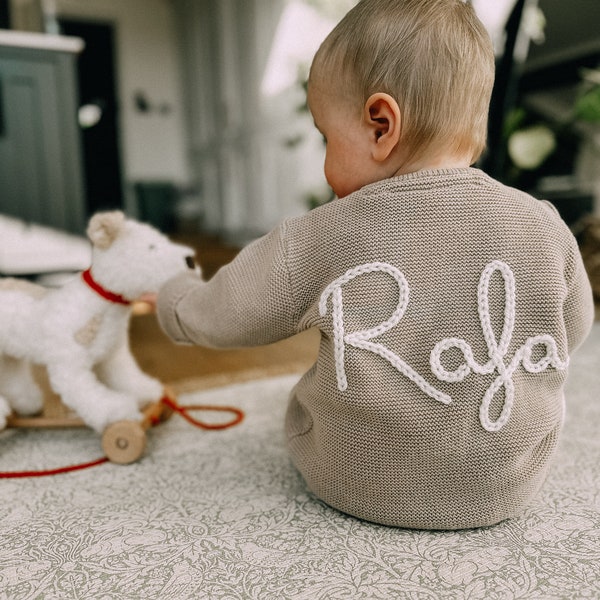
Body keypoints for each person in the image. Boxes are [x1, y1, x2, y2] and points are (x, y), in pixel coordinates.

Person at [155, 0, 594, 530]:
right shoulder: (543, 226)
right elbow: (571, 327)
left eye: (326, 137)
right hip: (506, 487)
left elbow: (228, 311)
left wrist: (175, 300)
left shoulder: (327, 233)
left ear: (381, 125)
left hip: (351, 480)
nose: (324, 159)